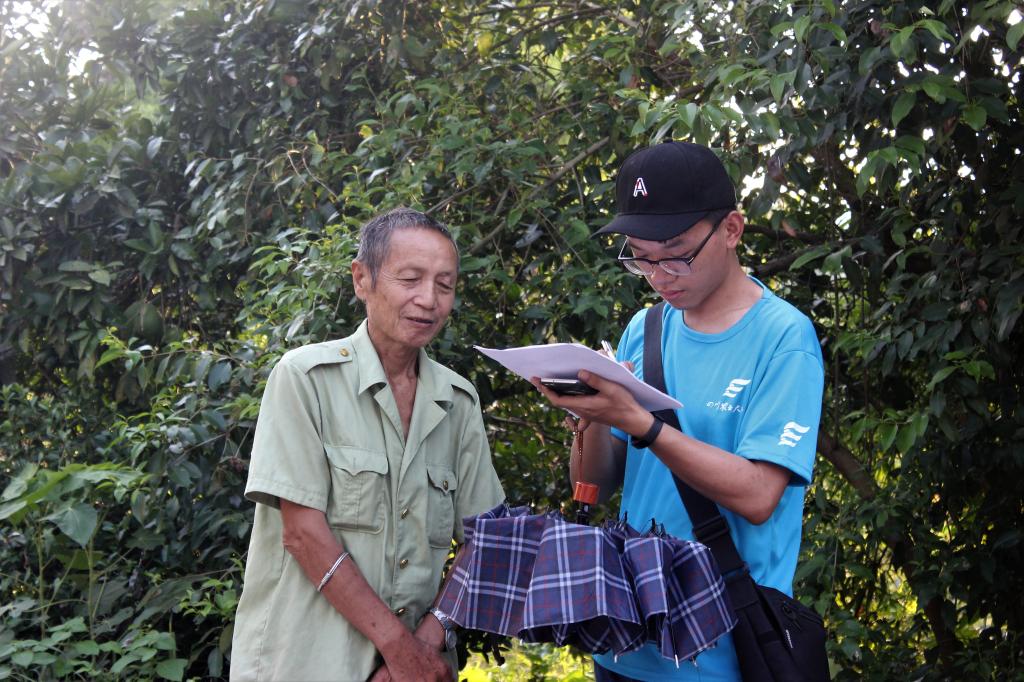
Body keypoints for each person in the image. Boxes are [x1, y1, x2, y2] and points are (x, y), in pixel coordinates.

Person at [533, 141, 824, 681]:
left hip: (720, 651)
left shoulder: (783, 338)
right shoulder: (645, 329)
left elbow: (759, 496)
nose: (659, 274)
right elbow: (594, 483)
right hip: (625, 643)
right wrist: (592, 416)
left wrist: (640, 423)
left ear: (731, 229)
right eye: (640, 257)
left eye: (676, 253)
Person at [231, 208, 505, 682]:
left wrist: (425, 645)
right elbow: (302, 533)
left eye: (444, 285)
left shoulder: (457, 402)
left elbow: (486, 540)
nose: (429, 299)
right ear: (362, 279)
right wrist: (399, 649)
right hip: (305, 665)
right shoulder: (305, 379)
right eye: (410, 279)